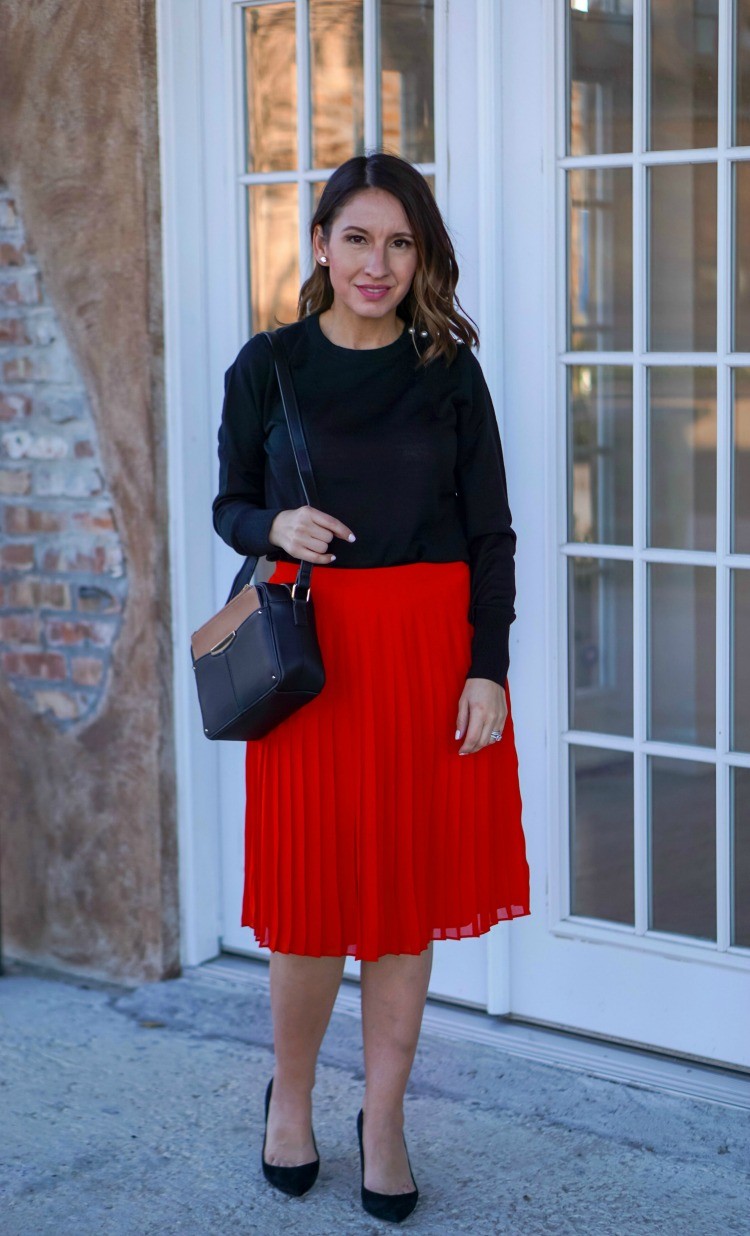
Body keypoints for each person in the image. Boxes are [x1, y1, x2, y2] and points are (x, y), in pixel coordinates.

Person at [212, 151, 531, 1224]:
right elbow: (230, 504)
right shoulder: (269, 366)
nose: (377, 262)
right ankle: (291, 1103)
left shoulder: (448, 369)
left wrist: (488, 666)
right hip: (313, 660)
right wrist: (272, 528)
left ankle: (385, 1119)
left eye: (400, 242)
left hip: (428, 657)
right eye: (358, 237)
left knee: (402, 908)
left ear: (420, 257)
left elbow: (492, 533)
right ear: (319, 245)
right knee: (307, 909)